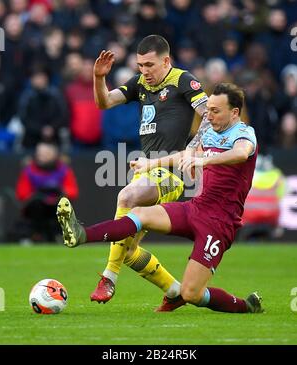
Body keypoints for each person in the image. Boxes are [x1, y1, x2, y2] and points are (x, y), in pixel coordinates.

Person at [57, 83, 264, 314]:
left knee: (192, 294)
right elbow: (185, 155)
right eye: (209, 109)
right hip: (196, 208)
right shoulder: (210, 132)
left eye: (216, 111)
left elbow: (241, 153)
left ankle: (247, 306)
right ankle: (81, 234)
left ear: (234, 112)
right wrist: (150, 163)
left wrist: (203, 161)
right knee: (139, 214)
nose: (209, 115)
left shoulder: (244, 133)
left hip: (219, 224)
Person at [89, 34, 210, 304]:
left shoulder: (182, 80)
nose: (144, 71)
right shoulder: (140, 84)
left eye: (150, 65)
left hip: (172, 172)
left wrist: (193, 147)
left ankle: (109, 277)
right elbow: (104, 103)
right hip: (148, 169)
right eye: (140, 65)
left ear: (166, 61)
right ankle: (175, 292)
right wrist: (99, 78)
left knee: (126, 197)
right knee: (129, 250)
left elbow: (209, 113)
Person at [15, 142, 79, 242]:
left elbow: (72, 191)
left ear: (54, 154)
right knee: (36, 206)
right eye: (40, 154)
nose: (42, 157)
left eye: (46, 154)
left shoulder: (64, 170)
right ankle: (34, 235)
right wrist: (38, 196)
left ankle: (60, 235)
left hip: (56, 206)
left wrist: (60, 191)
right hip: (36, 208)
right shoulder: (29, 171)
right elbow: (22, 193)